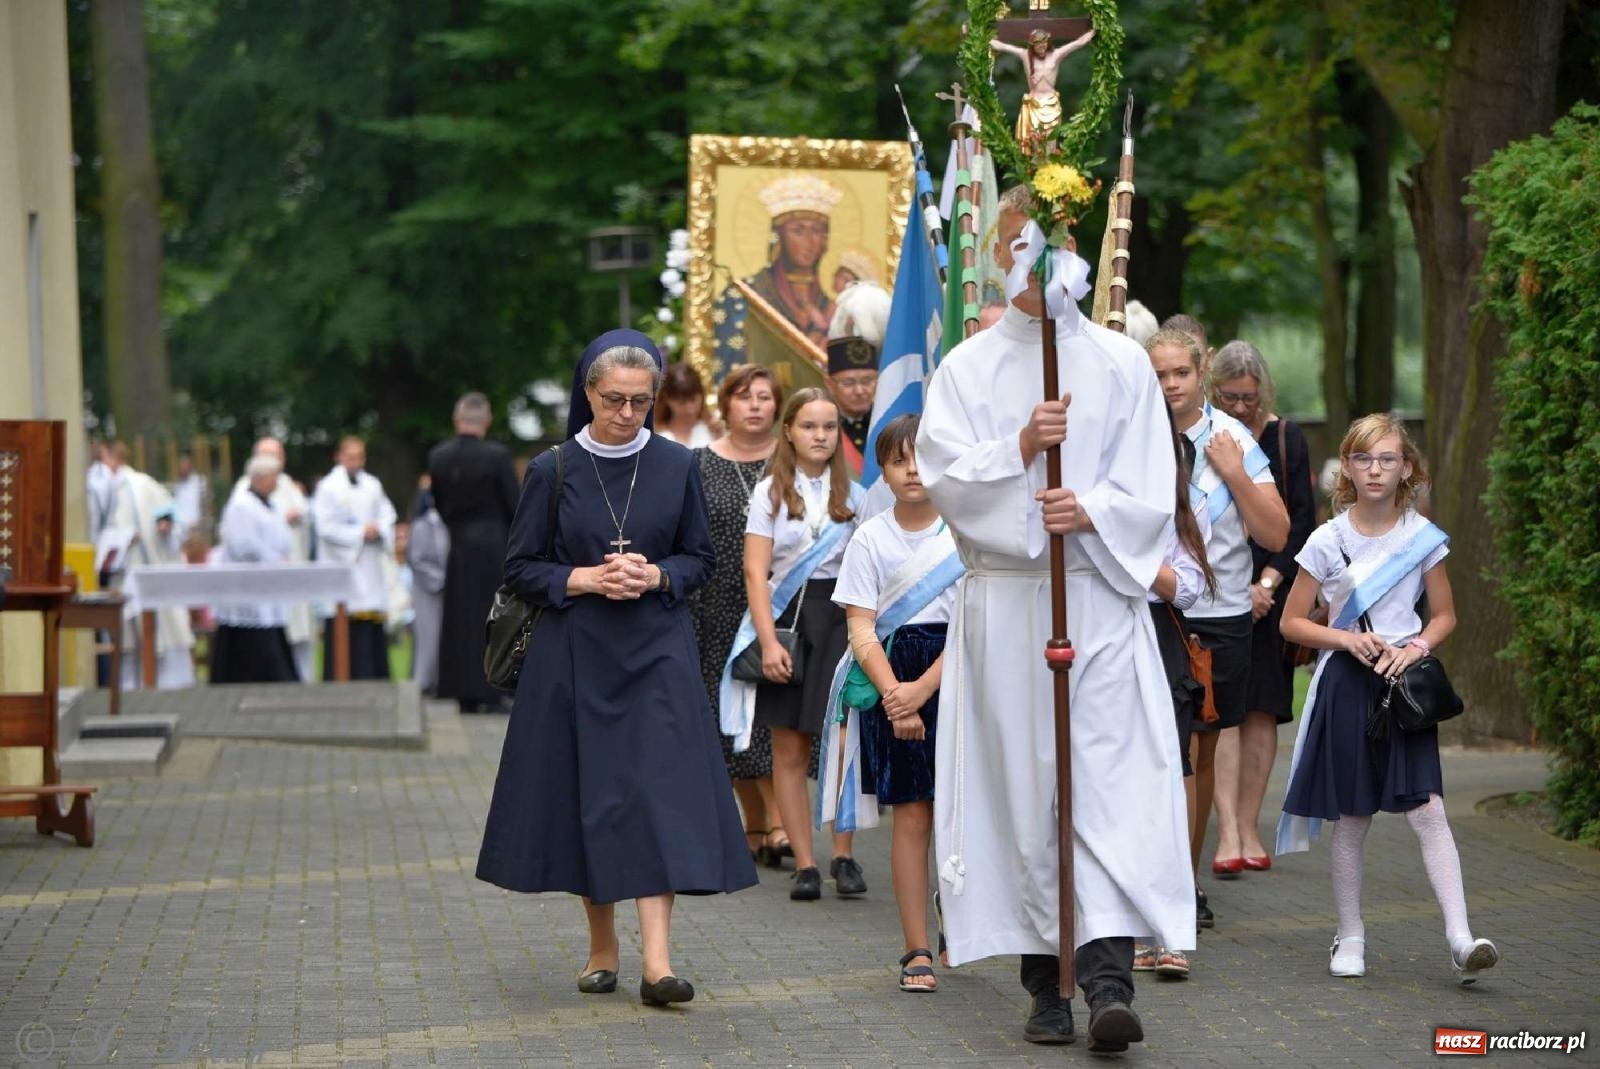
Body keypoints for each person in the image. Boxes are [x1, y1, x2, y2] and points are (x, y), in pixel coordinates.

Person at [916, 185, 1192, 1053]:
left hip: (1097, 600)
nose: (1035, 262)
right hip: (1008, 607)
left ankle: (1109, 976)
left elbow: (1151, 486)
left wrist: (1094, 510)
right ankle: (1046, 985)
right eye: (1019, 245)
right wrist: (1022, 451)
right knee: (1025, 793)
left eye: (1051, 244)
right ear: (1001, 254)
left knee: (1104, 784)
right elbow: (946, 481)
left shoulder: (1117, 362)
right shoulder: (966, 369)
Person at [476, 330, 756, 1007]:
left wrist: (654, 571)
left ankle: (658, 965)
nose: (628, 414)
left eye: (640, 401)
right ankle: (604, 946)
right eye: (613, 401)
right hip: (575, 651)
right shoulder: (553, 470)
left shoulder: (678, 465)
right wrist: (585, 578)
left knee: (654, 794)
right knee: (591, 793)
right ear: (588, 395)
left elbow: (700, 560)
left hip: (657, 648)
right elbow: (519, 568)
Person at [1277, 414, 1498, 985]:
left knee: (1429, 809)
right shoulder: (1326, 540)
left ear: (1408, 469)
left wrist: (1420, 644)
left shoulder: (1423, 537)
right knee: (1353, 815)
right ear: (1347, 467)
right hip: (1349, 684)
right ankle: (1349, 935)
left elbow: (1445, 614)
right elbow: (1292, 623)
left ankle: (1460, 937)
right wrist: (1347, 638)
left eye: (1388, 460)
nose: (1375, 470)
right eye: (1363, 459)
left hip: (1406, 684)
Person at [1146, 328, 1288, 898]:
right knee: (1164, 749)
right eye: (1158, 375)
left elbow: (1276, 531)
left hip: (1222, 613)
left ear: (1201, 370)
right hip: (1156, 607)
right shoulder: (1135, 433)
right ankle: (1159, 879)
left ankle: (1187, 879)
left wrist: (1231, 472)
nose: (1171, 385)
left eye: (1180, 372)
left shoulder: (1232, 438)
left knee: (1204, 748)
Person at [823, 414, 962, 992]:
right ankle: (915, 948)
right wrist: (895, 698)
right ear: (883, 468)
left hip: (956, 671)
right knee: (914, 814)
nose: (913, 471)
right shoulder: (870, 537)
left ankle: (963, 918)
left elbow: (978, 627)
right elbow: (861, 628)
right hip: (891, 674)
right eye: (900, 460)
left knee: (965, 812)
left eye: (923, 458)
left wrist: (926, 689)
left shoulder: (964, 534)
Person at [722, 387, 866, 902]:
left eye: (829, 427)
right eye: (809, 426)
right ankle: (806, 863)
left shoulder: (857, 496)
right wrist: (767, 643)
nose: (821, 435)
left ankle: (844, 855)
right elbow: (755, 572)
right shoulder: (770, 495)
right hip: (788, 620)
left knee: (844, 742)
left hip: (841, 620)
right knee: (789, 745)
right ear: (789, 431)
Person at [1210, 341, 1316, 870]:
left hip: (1270, 597)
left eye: (1250, 398)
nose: (1240, 408)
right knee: (1224, 712)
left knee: (1260, 713)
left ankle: (1250, 826)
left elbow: (1300, 522)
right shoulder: (1203, 438)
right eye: (1230, 397)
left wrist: (1269, 583)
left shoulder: (1282, 437)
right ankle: (1225, 829)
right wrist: (1238, 585)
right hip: (1216, 593)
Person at [689, 365, 787, 865]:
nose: (753, 406)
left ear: (777, 407)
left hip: (777, 604)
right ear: (725, 405)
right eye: (743, 397)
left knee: (768, 716)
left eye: (764, 397)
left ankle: (776, 823)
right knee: (724, 715)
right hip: (714, 604)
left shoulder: (792, 462)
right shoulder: (698, 463)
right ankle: (752, 824)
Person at [1132, 414, 1216, 979]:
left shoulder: (1182, 511)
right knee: (1123, 784)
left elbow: (1188, 586)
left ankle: (1169, 930)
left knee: (1170, 777)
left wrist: (1134, 557)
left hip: (1161, 642)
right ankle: (1134, 927)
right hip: (1102, 638)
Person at [428, 393, 520, 711]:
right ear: (487, 421)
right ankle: (493, 689)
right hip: (494, 544)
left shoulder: (439, 456)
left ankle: (461, 689)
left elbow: (438, 503)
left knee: (458, 619)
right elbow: (514, 503)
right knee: (494, 618)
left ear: (457, 420)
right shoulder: (496, 456)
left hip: (458, 544)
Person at [713, 174, 843, 376]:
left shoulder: (840, 299)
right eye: (798, 231)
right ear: (778, 236)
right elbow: (728, 367)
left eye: (817, 231)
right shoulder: (744, 294)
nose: (809, 242)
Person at [312, 437, 397, 680]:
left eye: (360, 456)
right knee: (345, 625)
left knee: (370, 627)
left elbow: (387, 514)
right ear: (338, 457)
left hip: (369, 566)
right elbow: (325, 527)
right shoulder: (328, 487)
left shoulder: (372, 484)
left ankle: (375, 677)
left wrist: (378, 529)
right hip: (345, 563)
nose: (356, 461)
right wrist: (360, 533)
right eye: (351, 456)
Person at [230, 437, 315, 680]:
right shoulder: (244, 493)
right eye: (268, 456)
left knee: (300, 633)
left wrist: (299, 516)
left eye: (277, 455)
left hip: (290, 569)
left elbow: (305, 517)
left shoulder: (287, 485)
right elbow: (243, 540)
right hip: (263, 578)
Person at [104, 470, 197, 690]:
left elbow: (176, 522)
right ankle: (131, 688)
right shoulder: (100, 487)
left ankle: (174, 686)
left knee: (168, 634)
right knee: (129, 642)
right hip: (123, 575)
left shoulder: (147, 485)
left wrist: (167, 528)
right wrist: (122, 539)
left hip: (158, 569)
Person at [211, 455, 299, 684]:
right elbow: (243, 545)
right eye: (273, 478)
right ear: (259, 478)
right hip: (247, 585)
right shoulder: (240, 505)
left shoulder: (270, 504)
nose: (277, 483)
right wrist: (274, 560)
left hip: (268, 583)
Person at [988, 27, 1096, 151]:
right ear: (1033, 46)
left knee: (1051, 142)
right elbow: (1003, 47)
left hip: (1051, 104)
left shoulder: (1056, 55)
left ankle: (1048, 168)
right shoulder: (1025, 55)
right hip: (1034, 105)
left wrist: (1095, 31)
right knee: (1035, 145)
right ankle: (1035, 169)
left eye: (1044, 45)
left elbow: (1078, 43)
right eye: (1039, 45)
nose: (1042, 48)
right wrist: (982, 37)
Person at [825, 281, 891, 476]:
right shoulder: (822, 425)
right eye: (849, 383)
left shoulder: (887, 422)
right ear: (829, 384)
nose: (860, 391)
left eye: (867, 380)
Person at [406, 478, 449, 696]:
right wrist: (442, 579)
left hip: (445, 590)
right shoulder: (423, 524)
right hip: (429, 592)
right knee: (429, 636)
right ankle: (425, 681)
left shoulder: (445, 522)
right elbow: (418, 560)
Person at [656, 363, 715, 448]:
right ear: (668, 399)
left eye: (693, 400)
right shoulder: (659, 437)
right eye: (681, 403)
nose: (690, 409)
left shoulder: (713, 429)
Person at [169, 452, 208, 535]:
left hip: (195, 526)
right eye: (181, 466)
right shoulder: (177, 484)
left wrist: (201, 522)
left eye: (185, 466)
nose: (183, 469)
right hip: (179, 528)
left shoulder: (199, 482)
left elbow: (205, 504)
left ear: (190, 467)